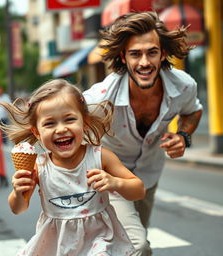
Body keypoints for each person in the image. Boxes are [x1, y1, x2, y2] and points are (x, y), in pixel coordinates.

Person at [83, 11, 203, 256]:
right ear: (123, 58)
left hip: (149, 175)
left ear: (163, 54)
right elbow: (70, 128)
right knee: (136, 247)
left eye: (152, 52)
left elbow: (193, 112)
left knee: (133, 241)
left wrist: (183, 136)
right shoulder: (99, 98)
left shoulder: (184, 86)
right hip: (110, 179)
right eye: (135, 54)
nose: (145, 62)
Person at [0, 79, 146, 256]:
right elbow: (18, 208)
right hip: (57, 244)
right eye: (49, 123)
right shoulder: (39, 166)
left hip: (99, 239)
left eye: (69, 119)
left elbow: (138, 190)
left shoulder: (100, 156)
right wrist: (18, 191)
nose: (61, 129)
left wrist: (115, 183)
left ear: (85, 123)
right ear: (37, 132)